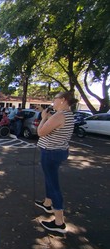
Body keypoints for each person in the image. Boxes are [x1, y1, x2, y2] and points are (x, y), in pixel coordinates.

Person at [35, 92, 77, 234]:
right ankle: (47, 203)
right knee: (49, 178)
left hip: (50, 152)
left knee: (53, 184)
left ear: (63, 100)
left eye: (55, 99)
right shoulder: (68, 114)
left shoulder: (59, 115)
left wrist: (43, 118)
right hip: (59, 151)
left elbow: (41, 132)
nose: (53, 101)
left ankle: (59, 221)